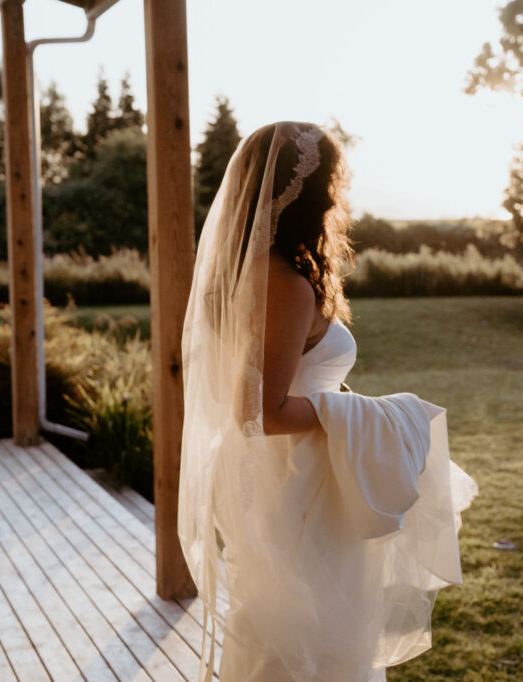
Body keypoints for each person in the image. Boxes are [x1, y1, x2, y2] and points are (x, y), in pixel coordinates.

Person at [178, 121, 477, 681]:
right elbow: (262, 414)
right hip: (304, 478)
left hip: (283, 474)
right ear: (314, 188)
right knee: (310, 635)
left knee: (280, 626)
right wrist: (375, 412)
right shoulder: (285, 282)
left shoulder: (244, 272)